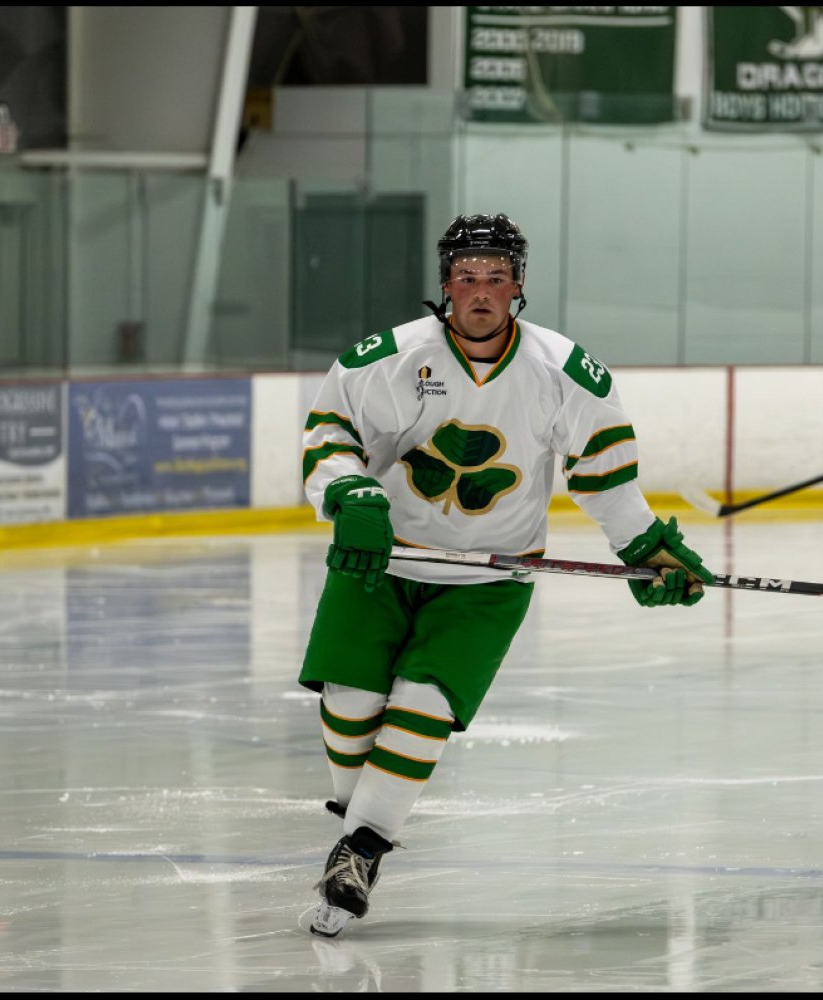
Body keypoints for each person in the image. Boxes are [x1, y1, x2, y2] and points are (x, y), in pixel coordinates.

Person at [297, 213, 714, 937]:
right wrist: (351, 492)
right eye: (467, 277)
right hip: (379, 561)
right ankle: (360, 817)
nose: (481, 291)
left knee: (424, 707)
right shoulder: (386, 359)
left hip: (489, 580)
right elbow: (329, 436)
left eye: (496, 276)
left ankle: (360, 851)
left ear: (518, 285)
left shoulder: (563, 372)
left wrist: (643, 546)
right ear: (446, 285)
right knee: (352, 706)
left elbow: (605, 478)